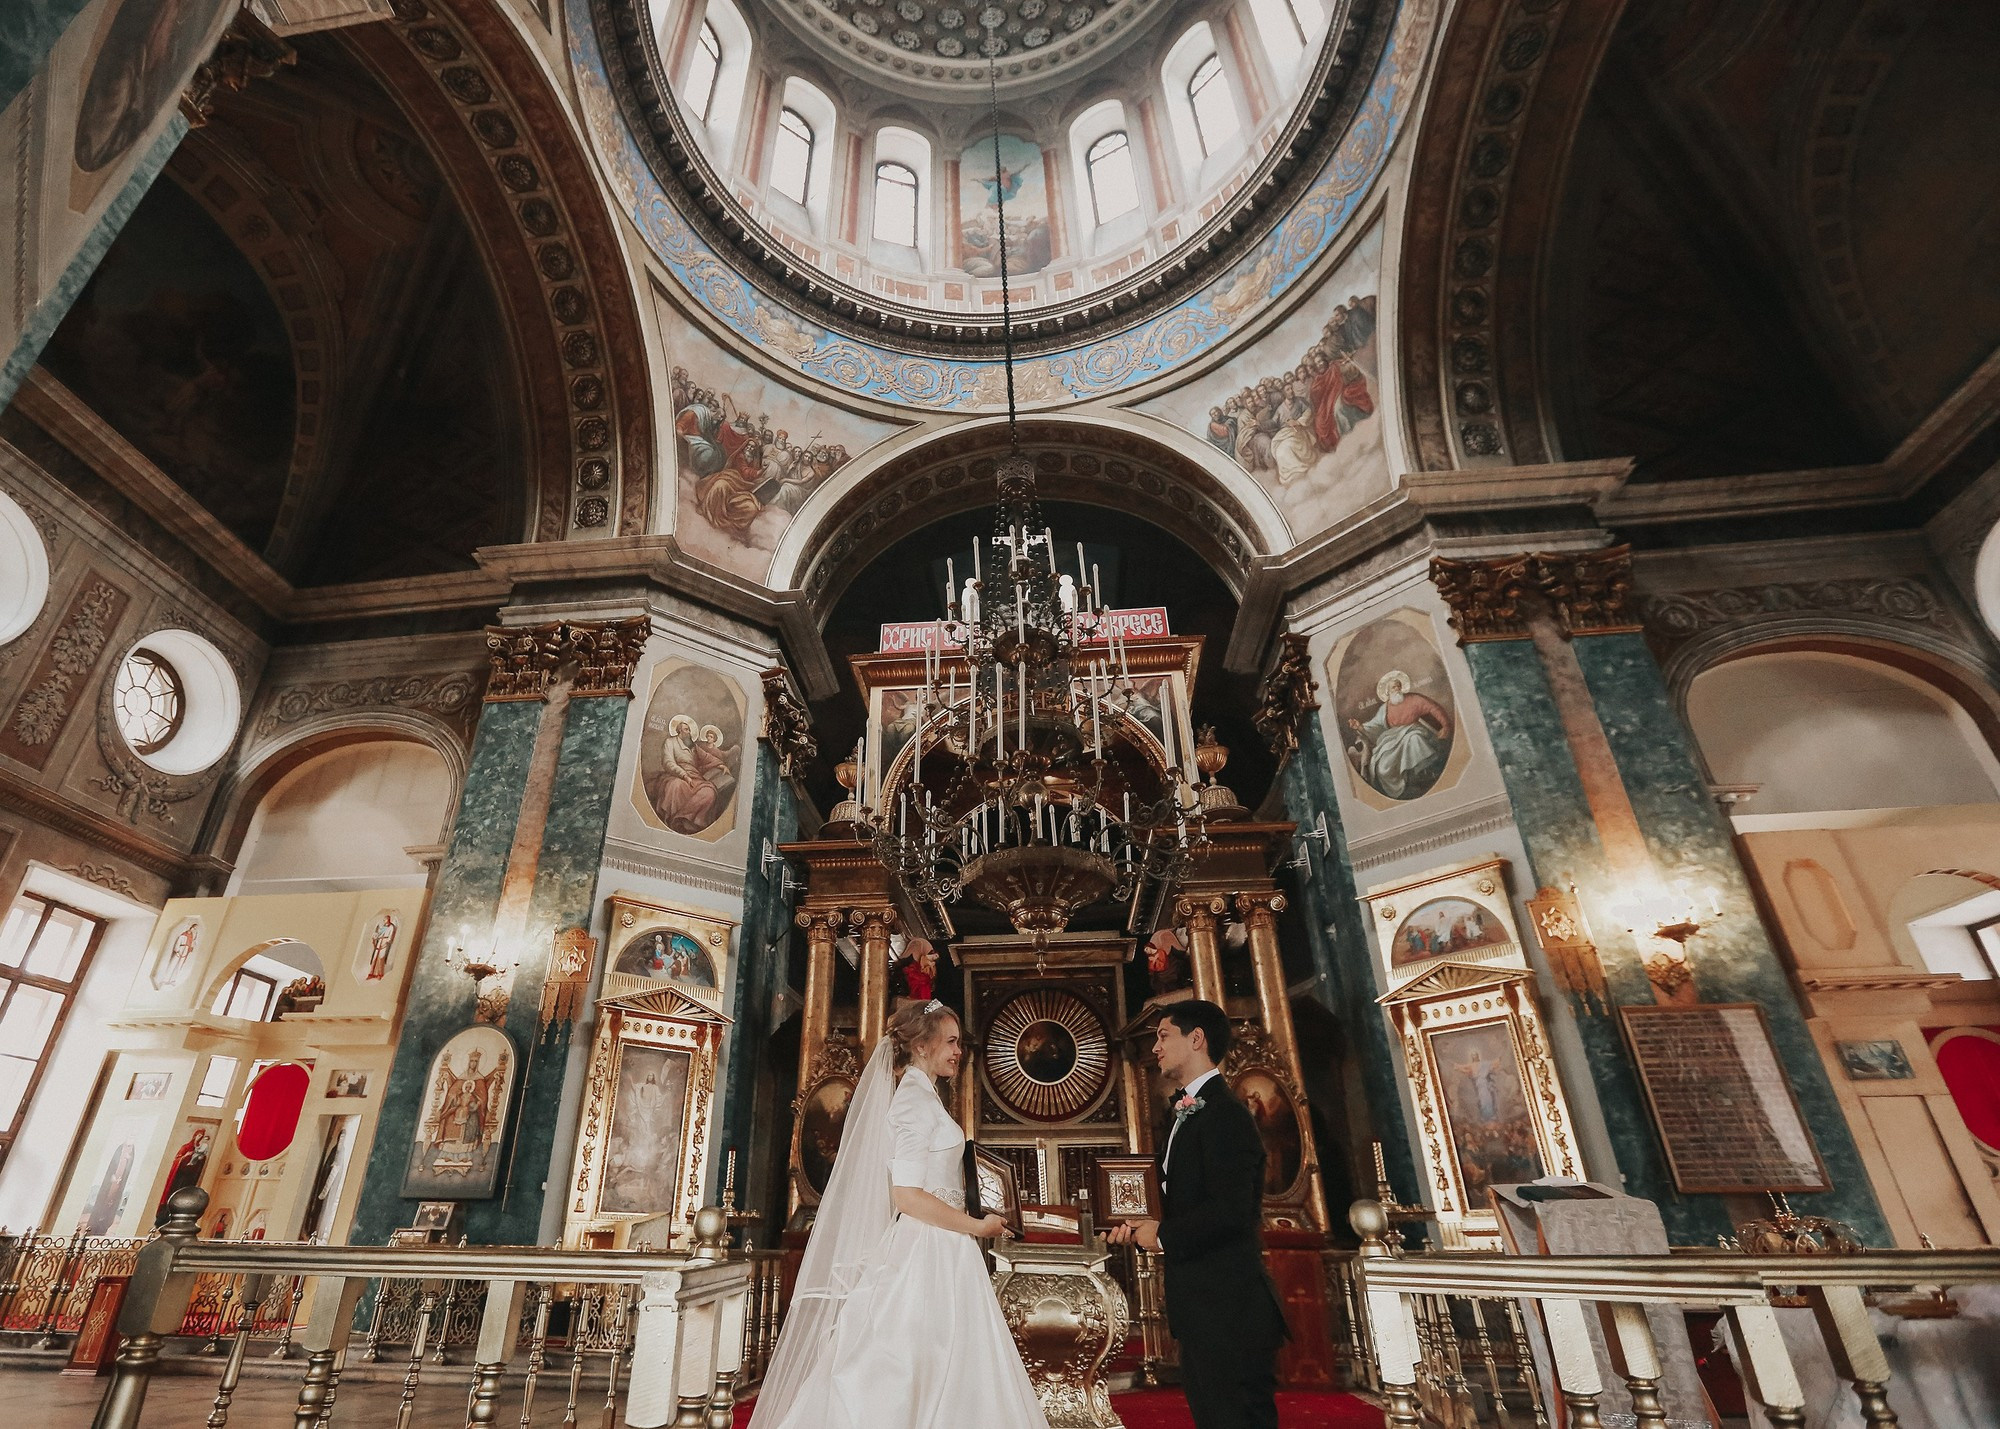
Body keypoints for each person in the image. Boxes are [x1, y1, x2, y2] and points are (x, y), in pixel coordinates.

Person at [749, 1000, 1048, 1429]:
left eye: (958, 1043)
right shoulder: (912, 1103)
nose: (958, 1051)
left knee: (948, 1361)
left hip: (945, 1246)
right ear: (922, 1046)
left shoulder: (925, 1098)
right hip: (927, 1248)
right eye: (951, 1042)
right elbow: (906, 1196)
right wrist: (976, 1225)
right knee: (911, 1362)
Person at [1109, 1000, 1286, 1429]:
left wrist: (1162, 1235)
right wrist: (1134, 1222)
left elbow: (1231, 1211)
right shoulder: (1187, 1112)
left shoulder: (1225, 1115)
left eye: (1163, 1035)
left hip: (1230, 1308)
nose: (1155, 1046)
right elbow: (1181, 1198)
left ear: (1197, 1039)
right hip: (1204, 1308)